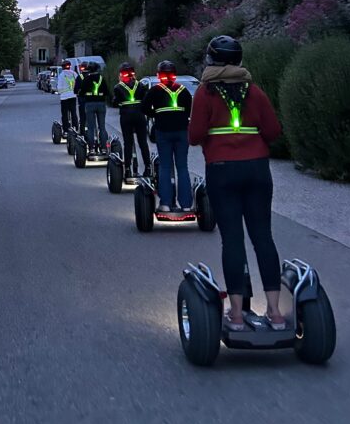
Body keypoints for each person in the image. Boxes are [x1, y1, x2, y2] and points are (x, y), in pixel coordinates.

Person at [188, 34, 285, 332]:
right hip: (256, 170)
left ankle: (238, 315)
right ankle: (275, 312)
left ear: (211, 59)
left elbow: (193, 136)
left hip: (221, 170)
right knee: (263, 238)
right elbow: (273, 131)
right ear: (239, 60)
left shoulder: (205, 93)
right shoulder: (254, 91)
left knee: (232, 240)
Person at [142, 60, 193, 212]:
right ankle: (186, 205)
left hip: (163, 131)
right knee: (182, 166)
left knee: (165, 166)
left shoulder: (155, 90)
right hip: (182, 131)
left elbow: (144, 107)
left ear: (159, 75)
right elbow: (190, 110)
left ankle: (165, 203)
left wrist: (156, 115)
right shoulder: (183, 90)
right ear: (174, 75)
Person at [112, 63, 151, 178]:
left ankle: (128, 169)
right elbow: (146, 99)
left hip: (126, 116)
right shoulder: (141, 85)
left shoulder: (118, 87)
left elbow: (114, 102)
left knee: (128, 143)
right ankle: (148, 168)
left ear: (121, 74)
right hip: (139, 115)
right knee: (143, 142)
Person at [82, 61, 110, 154]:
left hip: (90, 104)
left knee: (91, 127)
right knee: (102, 127)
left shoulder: (86, 79)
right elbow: (107, 92)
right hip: (101, 104)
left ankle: (91, 149)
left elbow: (82, 92)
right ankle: (104, 148)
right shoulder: (102, 78)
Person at [55, 59, 78, 133]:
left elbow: (59, 88)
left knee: (65, 114)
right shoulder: (74, 74)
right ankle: (76, 128)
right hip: (73, 97)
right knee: (73, 113)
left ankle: (66, 130)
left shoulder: (61, 75)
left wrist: (59, 92)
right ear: (69, 66)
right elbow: (77, 84)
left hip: (64, 98)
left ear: (62, 67)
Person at [74, 60, 89, 135]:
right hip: (91, 99)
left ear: (81, 68)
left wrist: (78, 92)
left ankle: (82, 133)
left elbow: (75, 90)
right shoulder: (91, 76)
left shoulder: (79, 77)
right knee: (91, 116)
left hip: (82, 99)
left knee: (82, 116)